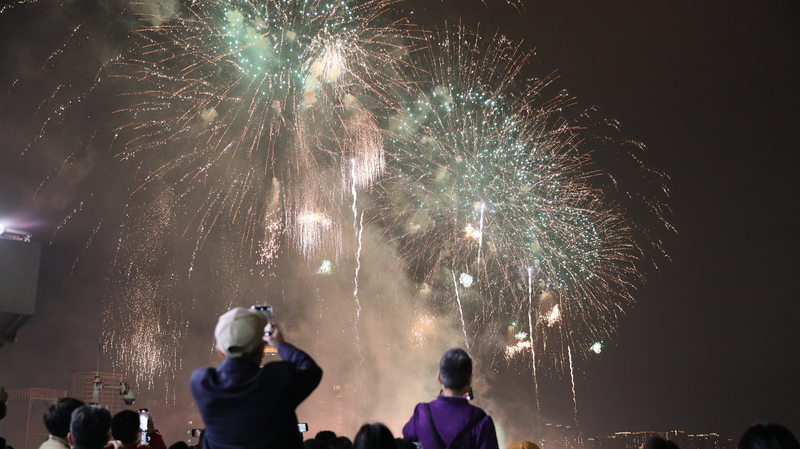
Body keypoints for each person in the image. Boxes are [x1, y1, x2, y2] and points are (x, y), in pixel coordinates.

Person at [191, 307, 323, 449]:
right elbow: (310, 369)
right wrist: (279, 344)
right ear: (262, 350)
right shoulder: (277, 380)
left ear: (220, 352)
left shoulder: (202, 383)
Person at [402, 348, 499, 449]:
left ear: (439, 377)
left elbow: (406, 439)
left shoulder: (422, 413)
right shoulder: (481, 421)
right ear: (469, 382)